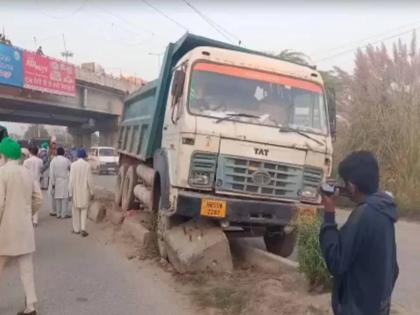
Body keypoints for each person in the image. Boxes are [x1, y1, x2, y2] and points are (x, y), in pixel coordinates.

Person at [320, 151, 399, 315]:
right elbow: (394, 269)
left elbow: (336, 262)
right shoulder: (384, 210)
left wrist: (329, 215)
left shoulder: (362, 216)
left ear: (351, 186)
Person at [0, 137, 43, 315]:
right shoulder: (26, 173)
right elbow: (38, 199)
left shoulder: (2, 173)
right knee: (26, 270)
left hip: (5, 229)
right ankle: (31, 306)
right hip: (25, 229)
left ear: (3, 155)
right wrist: (27, 213)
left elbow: (0, 204)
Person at [68, 148, 94, 237]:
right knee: (84, 210)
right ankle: (83, 229)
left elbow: (71, 180)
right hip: (84, 191)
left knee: (75, 211)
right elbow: (90, 180)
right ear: (84, 156)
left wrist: (70, 193)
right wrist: (92, 191)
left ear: (77, 156)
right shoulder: (87, 165)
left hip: (75, 191)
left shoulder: (73, 165)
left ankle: (76, 229)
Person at [23, 146, 43, 227]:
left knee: (28, 201)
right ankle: (35, 220)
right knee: (36, 200)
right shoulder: (40, 161)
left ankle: (29, 218)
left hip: (28, 182)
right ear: (37, 152)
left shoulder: (26, 161)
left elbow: (23, 173)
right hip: (37, 182)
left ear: (30, 152)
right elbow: (41, 170)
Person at [49, 147, 71, 219]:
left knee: (57, 198)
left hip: (57, 181)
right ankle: (63, 214)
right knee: (64, 198)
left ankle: (58, 214)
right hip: (65, 180)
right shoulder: (66, 160)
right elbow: (71, 168)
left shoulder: (53, 161)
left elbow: (51, 173)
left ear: (57, 152)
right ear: (64, 153)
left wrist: (52, 183)